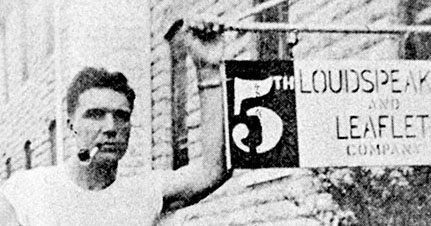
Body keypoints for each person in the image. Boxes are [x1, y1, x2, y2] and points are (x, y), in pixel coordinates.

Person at [0, 18, 230, 226]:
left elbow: (211, 171)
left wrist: (208, 70)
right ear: (72, 124)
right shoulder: (26, 192)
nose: (111, 128)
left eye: (121, 116)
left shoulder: (141, 194)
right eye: (95, 114)